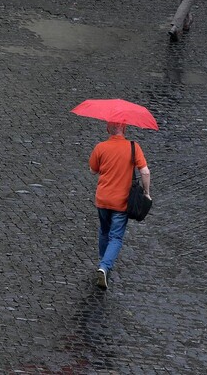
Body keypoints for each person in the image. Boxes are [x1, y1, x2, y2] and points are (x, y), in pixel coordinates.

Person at [88, 122, 151, 290]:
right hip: (122, 202)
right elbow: (145, 171)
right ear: (124, 129)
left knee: (104, 231)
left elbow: (93, 170)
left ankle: (103, 259)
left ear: (108, 129)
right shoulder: (133, 147)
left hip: (102, 199)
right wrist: (146, 192)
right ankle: (104, 266)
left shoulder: (100, 147)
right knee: (116, 237)